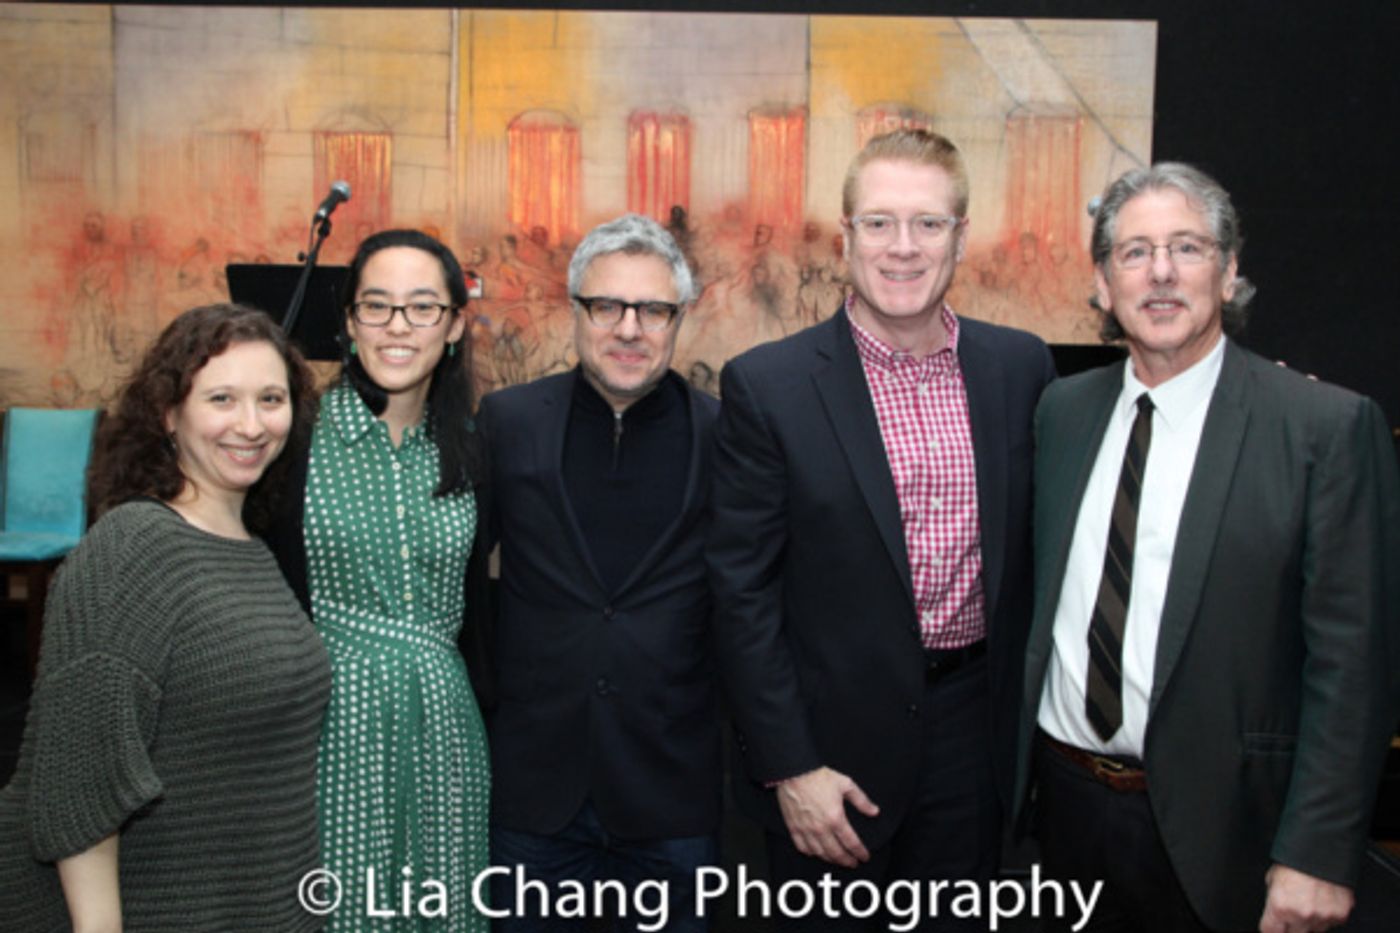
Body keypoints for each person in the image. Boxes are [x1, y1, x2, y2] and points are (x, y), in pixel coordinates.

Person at [1015, 163, 1400, 933]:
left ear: (1228, 274)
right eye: (1134, 252)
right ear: (1101, 283)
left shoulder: (1323, 427)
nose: (1160, 273)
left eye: (1187, 248)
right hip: (1059, 816)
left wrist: (1319, 850)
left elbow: (1355, 662)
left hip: (1224, 831)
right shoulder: (1063, 410)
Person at [707, 129, 1056, 930]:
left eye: (929, 224)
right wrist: (789, 766)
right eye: (880, 223)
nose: (904, 247)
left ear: (961, 237)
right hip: (829, 758)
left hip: (976, 743)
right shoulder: (770, 386)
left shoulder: (1021, 369)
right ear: (846, 235)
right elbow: (741, 596)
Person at [0, 303, 329, 931]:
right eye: (222, 399)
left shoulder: (250, 548)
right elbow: (79, 788)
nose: (252, 424)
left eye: (271, 398)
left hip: (260, 904)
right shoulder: (135, 547)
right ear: (169, 413)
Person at [478, 213, 721, 931]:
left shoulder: (728, 433)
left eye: (652, 309)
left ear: (680, 319)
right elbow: (459, 586)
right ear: (575, 310)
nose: (628, 328)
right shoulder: (506, 420)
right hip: (533, 796)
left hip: (671, 796)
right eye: (607, 305)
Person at [269, 229, 491, 931]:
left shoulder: (473, 449)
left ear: (454, 324)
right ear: (348, 321)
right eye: (377, 306)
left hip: (443, 732)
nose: (398, 327)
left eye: (422, 307)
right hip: (320, 726)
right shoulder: (290, 437)